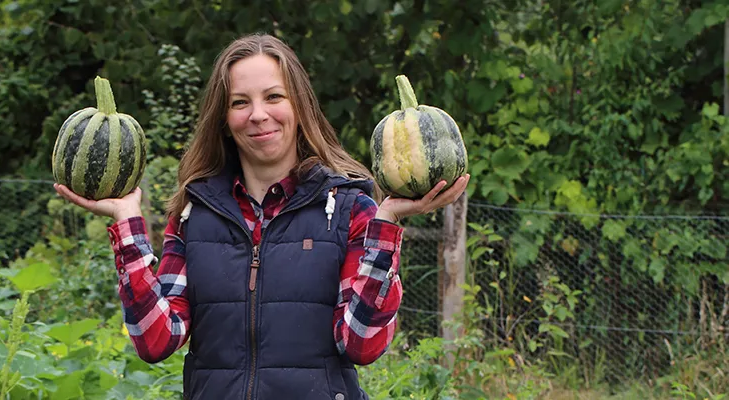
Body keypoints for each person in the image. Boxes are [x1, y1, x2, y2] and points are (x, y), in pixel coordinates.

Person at [54, 33, 470, 400]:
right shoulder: (194, 213)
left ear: (299, 105)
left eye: (273, 97)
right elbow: (156, 340)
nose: (257, 114)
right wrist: (127, 223)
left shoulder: (349, 209)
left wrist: (389, 224)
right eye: (240, 102)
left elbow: (362, 344)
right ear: (224, 116)